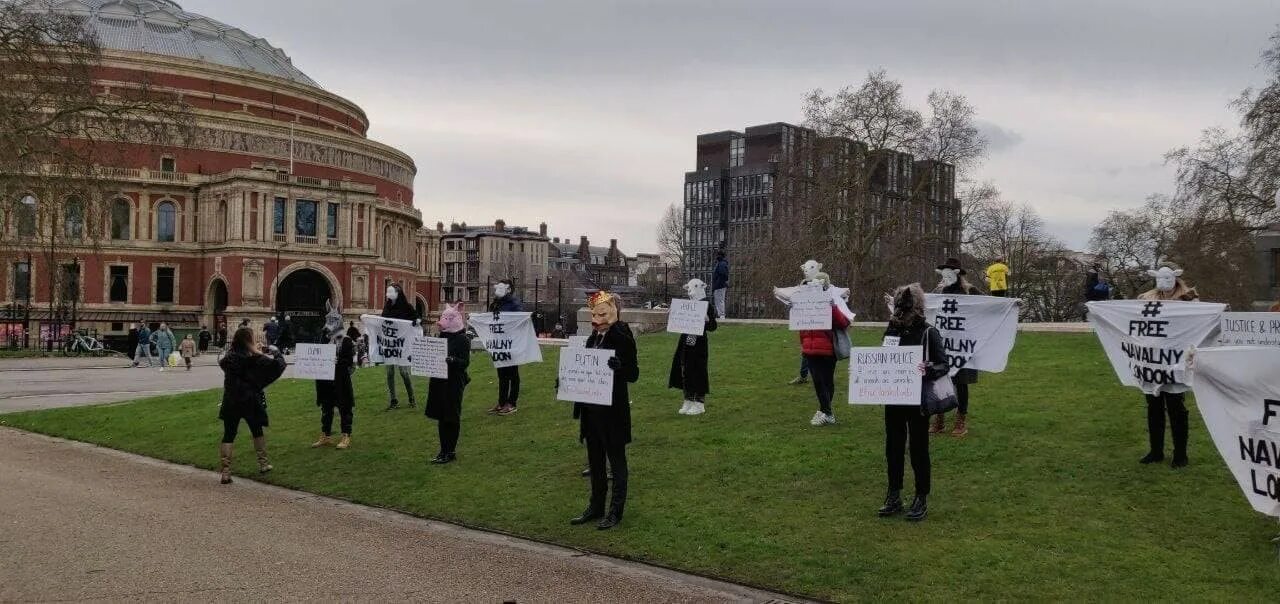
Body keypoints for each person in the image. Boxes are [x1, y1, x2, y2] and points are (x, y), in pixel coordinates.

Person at [878, 283, 948, 522]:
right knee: (893, 448)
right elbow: (882, 358)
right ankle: (894, 493)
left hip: (917, 401)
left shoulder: (928, 332)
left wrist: (927, 369)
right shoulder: (893, 330)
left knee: (919, 448)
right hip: (894, 397)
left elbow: (943, 364)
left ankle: (921, 495)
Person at [569, 291, 639, 530]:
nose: (596, 319)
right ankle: (596, 505)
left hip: (612, 413)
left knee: (617, 462)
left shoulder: (621, 335)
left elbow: (633, 373)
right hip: (592, 413)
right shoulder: (592, 339)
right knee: (596, 462)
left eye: (601, 313)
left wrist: (619, 367)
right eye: (593, 314)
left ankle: (615, 511)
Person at [1137, 265, 1200, 468]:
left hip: (1175, 361)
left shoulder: (1189, 300)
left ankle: (1180, 454)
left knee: (1176, 407)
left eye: (1167, 278)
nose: (1163, 283)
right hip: (1153, 361)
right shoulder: (1147, 299)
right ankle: (1156, 451)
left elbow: (1199, 322)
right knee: (1153, 407)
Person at [216, 327, 287, 484]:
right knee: (256, 430)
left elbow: (232, 364)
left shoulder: (229, 359)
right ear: (249, 340)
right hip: (249, 399)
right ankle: (263, 463)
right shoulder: (253, 360)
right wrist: (276, 353)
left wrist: (256, 352)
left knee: (229, 434)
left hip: (231, 399)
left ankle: (226, 472)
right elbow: (277, 366)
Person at [931, 258, 982, 437]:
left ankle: (961, 420)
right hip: (944, 347)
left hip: (962, 348)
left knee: (961, 384)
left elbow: (990, 306)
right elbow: (928, 308)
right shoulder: (941, 293)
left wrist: (1011, 305)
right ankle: (940, 418)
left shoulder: (970, 291)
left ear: (957, 274)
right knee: (940, 381)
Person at [426, 302, 471, 464]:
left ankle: (450, 451)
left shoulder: (462, 340)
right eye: (443, 318)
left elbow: (464, 363)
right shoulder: (442, 338)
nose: (443, 321)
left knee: (451, 416)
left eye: (448, 318)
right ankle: (443, 450)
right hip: (439, 381)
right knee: (441, 416)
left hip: (453, 382)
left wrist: (451, 360)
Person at [669, 278, 718, 415]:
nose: (691, 291)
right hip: (686, 342)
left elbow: (713, 326)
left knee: (699, 370)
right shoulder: (688, 305)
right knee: (685, 369)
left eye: (694, 287)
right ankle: (688, 399)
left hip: (699, 343)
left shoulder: (707, 305)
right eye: (690, 288)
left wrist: (707, 321)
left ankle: (699, 402)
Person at [313, 301, 357, 450]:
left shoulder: (346, 341)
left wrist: (338, 362)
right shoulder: (324, 339)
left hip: (340, 380)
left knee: (344, 408)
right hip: (326, 380)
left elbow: (349, 362)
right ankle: (325, 435)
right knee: (326, 407)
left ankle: (346, 435)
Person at [786, 262, 832, 386]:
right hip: (808, 328)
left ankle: (819, 377)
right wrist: (794, 306)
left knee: (817, 353)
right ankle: (804, 375)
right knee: (807, 351)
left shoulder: (827, 294)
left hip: (820, 329)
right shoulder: (804, 286)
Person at [488, 279, 523, 415]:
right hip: (499, 344)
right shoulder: (496, 303)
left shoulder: (513, 304)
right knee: (502, 375)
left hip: (511, 344)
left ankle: (512, 403)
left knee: (512, 374)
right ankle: (502, 402)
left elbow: (519, 320)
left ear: (509, 290)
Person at [382, 283, 419, 410]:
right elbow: (382, 321)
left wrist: (416, 321)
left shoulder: (406, 307)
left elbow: (416, 318)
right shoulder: (387, 307)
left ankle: (412, 398)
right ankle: (393, 400)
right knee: (390, 373)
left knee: (404, 373)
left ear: (398, 294)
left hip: (402, 345)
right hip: (390, 344)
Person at [712, 250, 729, 319]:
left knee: (720, 300)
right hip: (718, 285)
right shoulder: (720, 263)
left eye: (717, 255)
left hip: (720, 285)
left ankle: (722, 314)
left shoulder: (722, 264)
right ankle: (720, 314)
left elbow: (723, 275)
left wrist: (718, 283)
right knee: (717, 300)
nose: (716, 256)